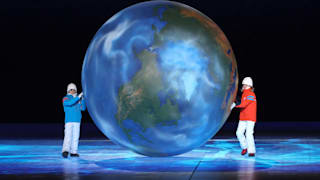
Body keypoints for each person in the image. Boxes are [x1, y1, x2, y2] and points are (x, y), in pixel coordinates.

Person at [231, 77, 257, 157]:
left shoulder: (251, 94)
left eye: (246, 85)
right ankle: (244, 147)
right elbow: (242, 102)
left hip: (250, 118)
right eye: (244, 85)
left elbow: (245, 104)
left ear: (250, 85)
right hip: (243, 117)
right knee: (239, 133)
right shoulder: (244, 94)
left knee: (249, 134)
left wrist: (235, 105)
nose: (244, 86)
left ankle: (251, 151)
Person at [61, 83, 86, 158]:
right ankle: (65, 151)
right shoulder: (65, 98)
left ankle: (73, 152)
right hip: (69, 120)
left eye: (75, 89)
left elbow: (83, 108)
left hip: (77, 120)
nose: (74, 91)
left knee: (76, 136)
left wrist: (83, 100)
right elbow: (69, 103)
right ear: (68, 90)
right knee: (68, 136)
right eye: (72, 89)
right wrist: (78, 97)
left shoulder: (78, 99)